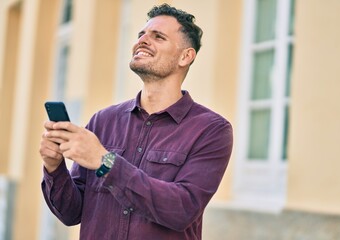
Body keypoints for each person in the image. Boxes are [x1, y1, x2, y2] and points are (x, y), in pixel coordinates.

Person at [39, 3, 233, 240]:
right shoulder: (103, 121)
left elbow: (183, 209)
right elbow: (71, 213)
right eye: (141, 34)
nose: (142, 40)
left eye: (158, 36)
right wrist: (54, 167)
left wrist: (105, 162)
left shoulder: (211, 130)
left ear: (185, 56)